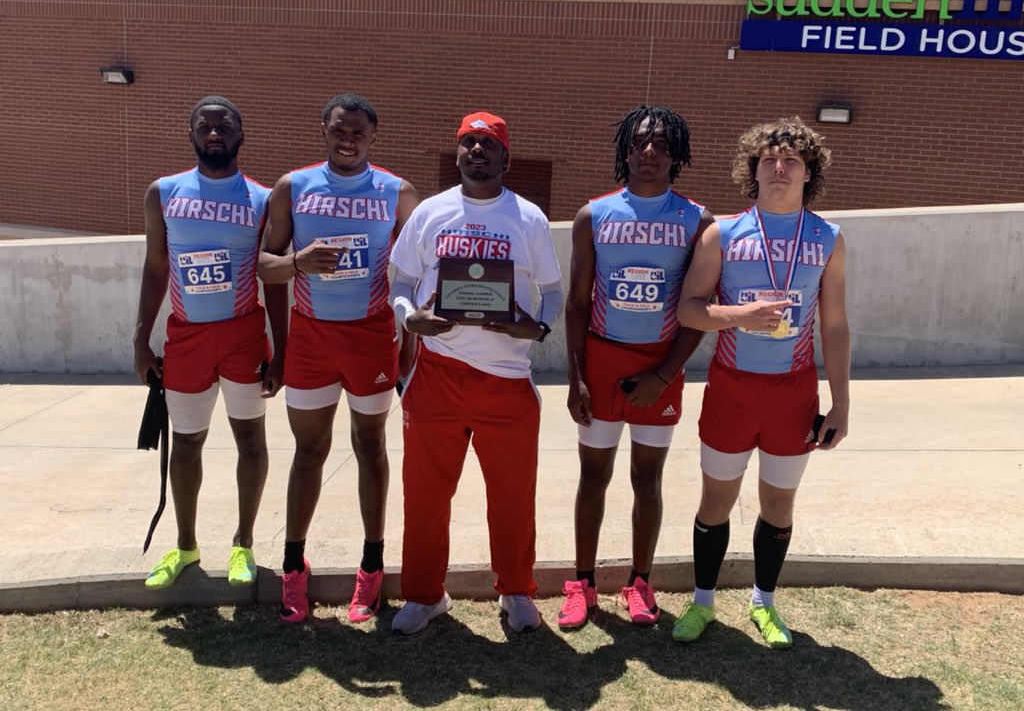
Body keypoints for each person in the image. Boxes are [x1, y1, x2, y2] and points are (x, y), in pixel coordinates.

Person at [673, 117, 850, 648]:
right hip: (732, 388)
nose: (778, 167)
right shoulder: (722, 232)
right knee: (716, 502)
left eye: (790, 160)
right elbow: (688, 310)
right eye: (768, 159)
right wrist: (736, 317)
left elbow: (836, 325)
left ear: (807, 172)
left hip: (793, 393)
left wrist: (841, 404)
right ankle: (703, 602)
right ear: (753, 169)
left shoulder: (829, 239)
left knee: (778, 505)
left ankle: (764, 602)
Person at [388, 112, 563, 635]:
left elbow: (552, 292)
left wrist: (539, 329)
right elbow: (400, 279)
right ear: (458, 153)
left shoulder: (528, 217)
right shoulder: (430, 213)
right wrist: (409, 318)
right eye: (469, 143)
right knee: (424, 495)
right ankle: (423, 595)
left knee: (511, 496)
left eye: (488, 143)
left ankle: (516, 591)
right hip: (438, 374)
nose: (477, 151)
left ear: (506, 157)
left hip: (506, 379)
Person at [258, 93, 420, 624]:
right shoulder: (293, 186)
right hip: (310, 338)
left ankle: (371, 567)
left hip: (371, 336)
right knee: (309, 451)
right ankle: (292, 566)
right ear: (323, 131)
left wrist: (410, 345)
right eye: (337, 130)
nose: (346, 139)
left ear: (373, 137)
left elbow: (422, 271)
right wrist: (298, 262)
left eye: (357, 132)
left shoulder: (397, 193)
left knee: (370, 446)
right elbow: (262, 265)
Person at [559, 105, 714, 628]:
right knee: (593, 476)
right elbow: (577, 303)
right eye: (641, 142)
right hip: (602, 358)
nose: (650, 152)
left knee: (647, 479)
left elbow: (700, 308)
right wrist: (576, 376)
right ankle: (581, 582)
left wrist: (665, 375)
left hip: (660, 362)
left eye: (662, 144)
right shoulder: (595, 215)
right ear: (625, 149)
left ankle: (640, 582)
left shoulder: (698, 221)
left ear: (678, 155)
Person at [133, 95, 281, 590]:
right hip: (187, 337)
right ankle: (186, 546)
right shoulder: (164, 192)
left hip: (242, 333)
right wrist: (140, 338)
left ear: (241, 136)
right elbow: (156, 268)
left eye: (224, 126)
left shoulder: (261, 199)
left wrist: (279, 346)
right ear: (191, 134)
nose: (214, 133)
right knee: (187, 443)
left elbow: (274, 276)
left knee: (250, 440)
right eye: (205, 126)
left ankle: (243, 544)